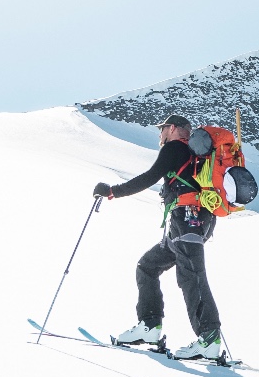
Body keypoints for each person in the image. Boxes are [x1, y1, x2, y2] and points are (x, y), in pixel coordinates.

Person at [93, 114, 225, 361]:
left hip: (187, 220)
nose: (160, 134)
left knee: (191, 276)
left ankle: (208, 337)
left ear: (172, 128)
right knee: (148, 266)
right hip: (196, 222)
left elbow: (149, 177)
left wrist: (112, 191)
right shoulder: (199, 154)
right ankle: (150, 326)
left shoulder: (175, 148)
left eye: (162, 129)